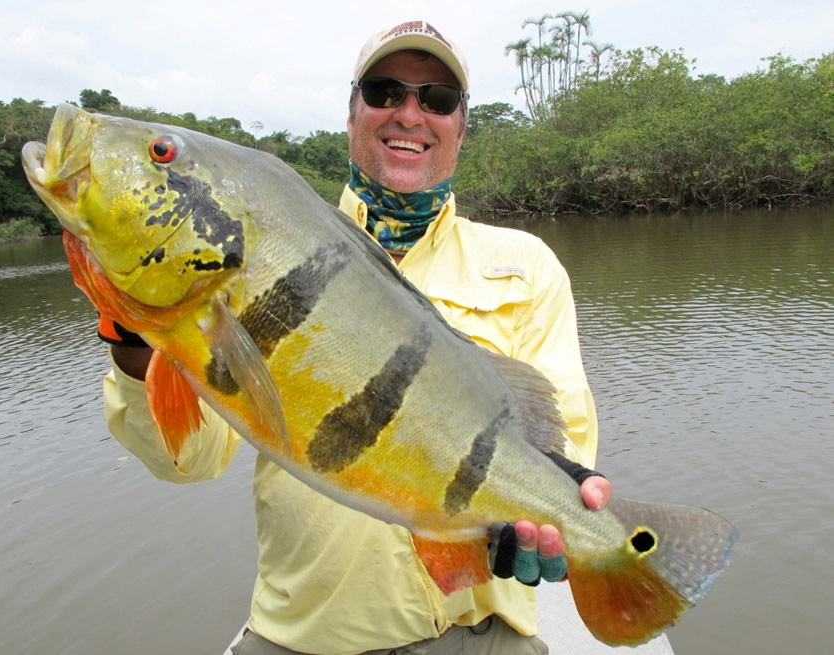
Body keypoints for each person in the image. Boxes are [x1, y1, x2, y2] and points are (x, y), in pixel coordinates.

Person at [103, 20, 611, 655]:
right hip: (306, 638)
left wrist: (550, 511)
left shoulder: (525, 266)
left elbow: (563, 435)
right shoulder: (264, 250)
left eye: (437, 99)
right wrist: (132, 337)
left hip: (482, 636)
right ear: (352, 114)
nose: (410, 114)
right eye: (384, 90)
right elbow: (189, 460)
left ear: (460, 125)